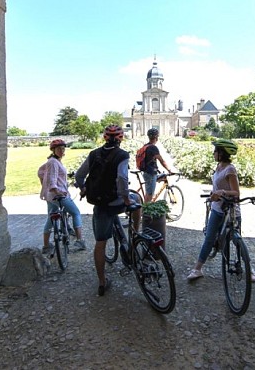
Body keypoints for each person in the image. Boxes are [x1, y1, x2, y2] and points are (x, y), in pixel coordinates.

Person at [75, 124, 138, 296]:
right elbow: (123, 179)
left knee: (100, 243)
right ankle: (135, 235)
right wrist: (126, 199)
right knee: (137, 199)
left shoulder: (93, 154)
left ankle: (102, 282)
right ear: (121, 138)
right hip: (117, 201)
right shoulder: (122, 155)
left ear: (104, 137)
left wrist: (83, 188)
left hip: (101, 204)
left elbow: (79, 175)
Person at [186, 139, 255, 282]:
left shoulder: (230, 169)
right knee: (209, 238)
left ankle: (250, 269)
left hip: (231, 211)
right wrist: (213, 195)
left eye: (216, 151)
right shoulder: (218, 167)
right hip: (217, 209)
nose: (213, 153)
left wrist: (222, 192)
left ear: (222, 153)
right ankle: (198, 269)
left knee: (237, 241)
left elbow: (236, 193)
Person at [39, 139, 87, 253]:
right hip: (59, 195)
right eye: (59, 149)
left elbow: (40, 172)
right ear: (53, 150)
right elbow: (52, 179)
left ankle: (46, 246)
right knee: (76, 213)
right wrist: (56, 190)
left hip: (50, 196)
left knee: (51, 218)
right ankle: (80, 240)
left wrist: (44, 185)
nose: (61, 150)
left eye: (63, 148)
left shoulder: (52, 161)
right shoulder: (54, 162)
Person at [140, 127, 172, 203]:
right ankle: (145, 211)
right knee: (149, 195)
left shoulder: (145, 146)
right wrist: (169, 170)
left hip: (146, 172)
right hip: (150, 173)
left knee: (151, 188)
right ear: (156, 137)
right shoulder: (153, 148)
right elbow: (162, 161)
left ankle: (146, 207)